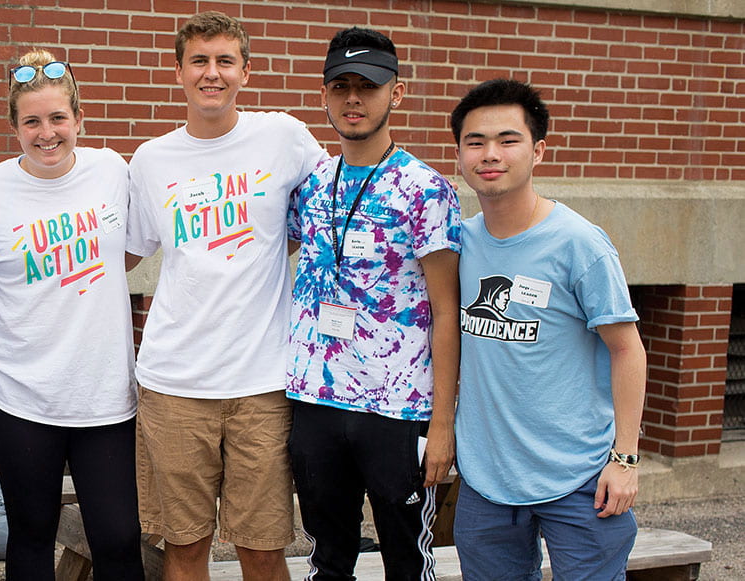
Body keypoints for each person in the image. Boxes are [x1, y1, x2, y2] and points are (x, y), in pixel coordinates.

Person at [124, 11, 327, 580]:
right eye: (199, 61)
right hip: (173, 382)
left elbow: (325, 214)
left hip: (262, 382)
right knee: (185, 548)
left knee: (262, 549)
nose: (211, 74)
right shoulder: (152, 159)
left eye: (224, 61)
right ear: (180, 70)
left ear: (244, 70)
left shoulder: (283, 136)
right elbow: (129, 251)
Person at [0, 50, 143, 580]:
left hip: (104, 395)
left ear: (79, 119)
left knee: (119, 538)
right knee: (31, 534)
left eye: (58, 118)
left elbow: (124, 254)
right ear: (14, 126)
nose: (47, 133)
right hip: (18, 394)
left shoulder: (112, 170)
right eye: (32, 121)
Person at [450, 78, 646, 580]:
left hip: (579, 478)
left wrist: (624, 457)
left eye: (507, 140)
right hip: (487, 483)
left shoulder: (579, 244)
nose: (490, 154)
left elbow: (627, 350)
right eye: (475, 142)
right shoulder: (459, 244)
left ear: (538, 150)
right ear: (459, 155)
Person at [284, 27, 461, 580]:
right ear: (325, 95)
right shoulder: (311, 182)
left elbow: (447, 312)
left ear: (397, 93)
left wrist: (443, 425)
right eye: (341, 86)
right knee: (328, 557)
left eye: (369, 86)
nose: (354, 99)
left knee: (407, 562)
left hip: (397, 407)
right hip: (316, 397)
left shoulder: (425, 189)